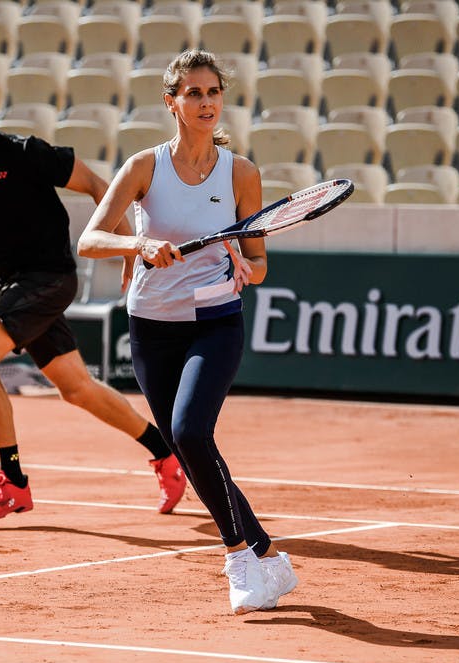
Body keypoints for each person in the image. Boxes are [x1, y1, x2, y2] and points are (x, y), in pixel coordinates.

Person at [0, 72, 186, 520]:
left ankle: (13, 482)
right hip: (10, 282)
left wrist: (127, 250)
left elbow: (96, 185)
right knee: (77, 388)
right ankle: (165, 453)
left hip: (50, 276)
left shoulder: (26, 153)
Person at [76, 50, 298, 614]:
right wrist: (140, 244)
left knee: (190, 431)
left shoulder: (242, 173)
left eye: (212, 93)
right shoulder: (144, 167)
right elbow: (91, 240)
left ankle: (238, 558)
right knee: (186, 442)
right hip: (151, 323)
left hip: (216, 320)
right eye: (193, 93)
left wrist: (248, 269)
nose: (205, 103)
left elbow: (258, 258)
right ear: (171, 102)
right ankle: (268, 555)